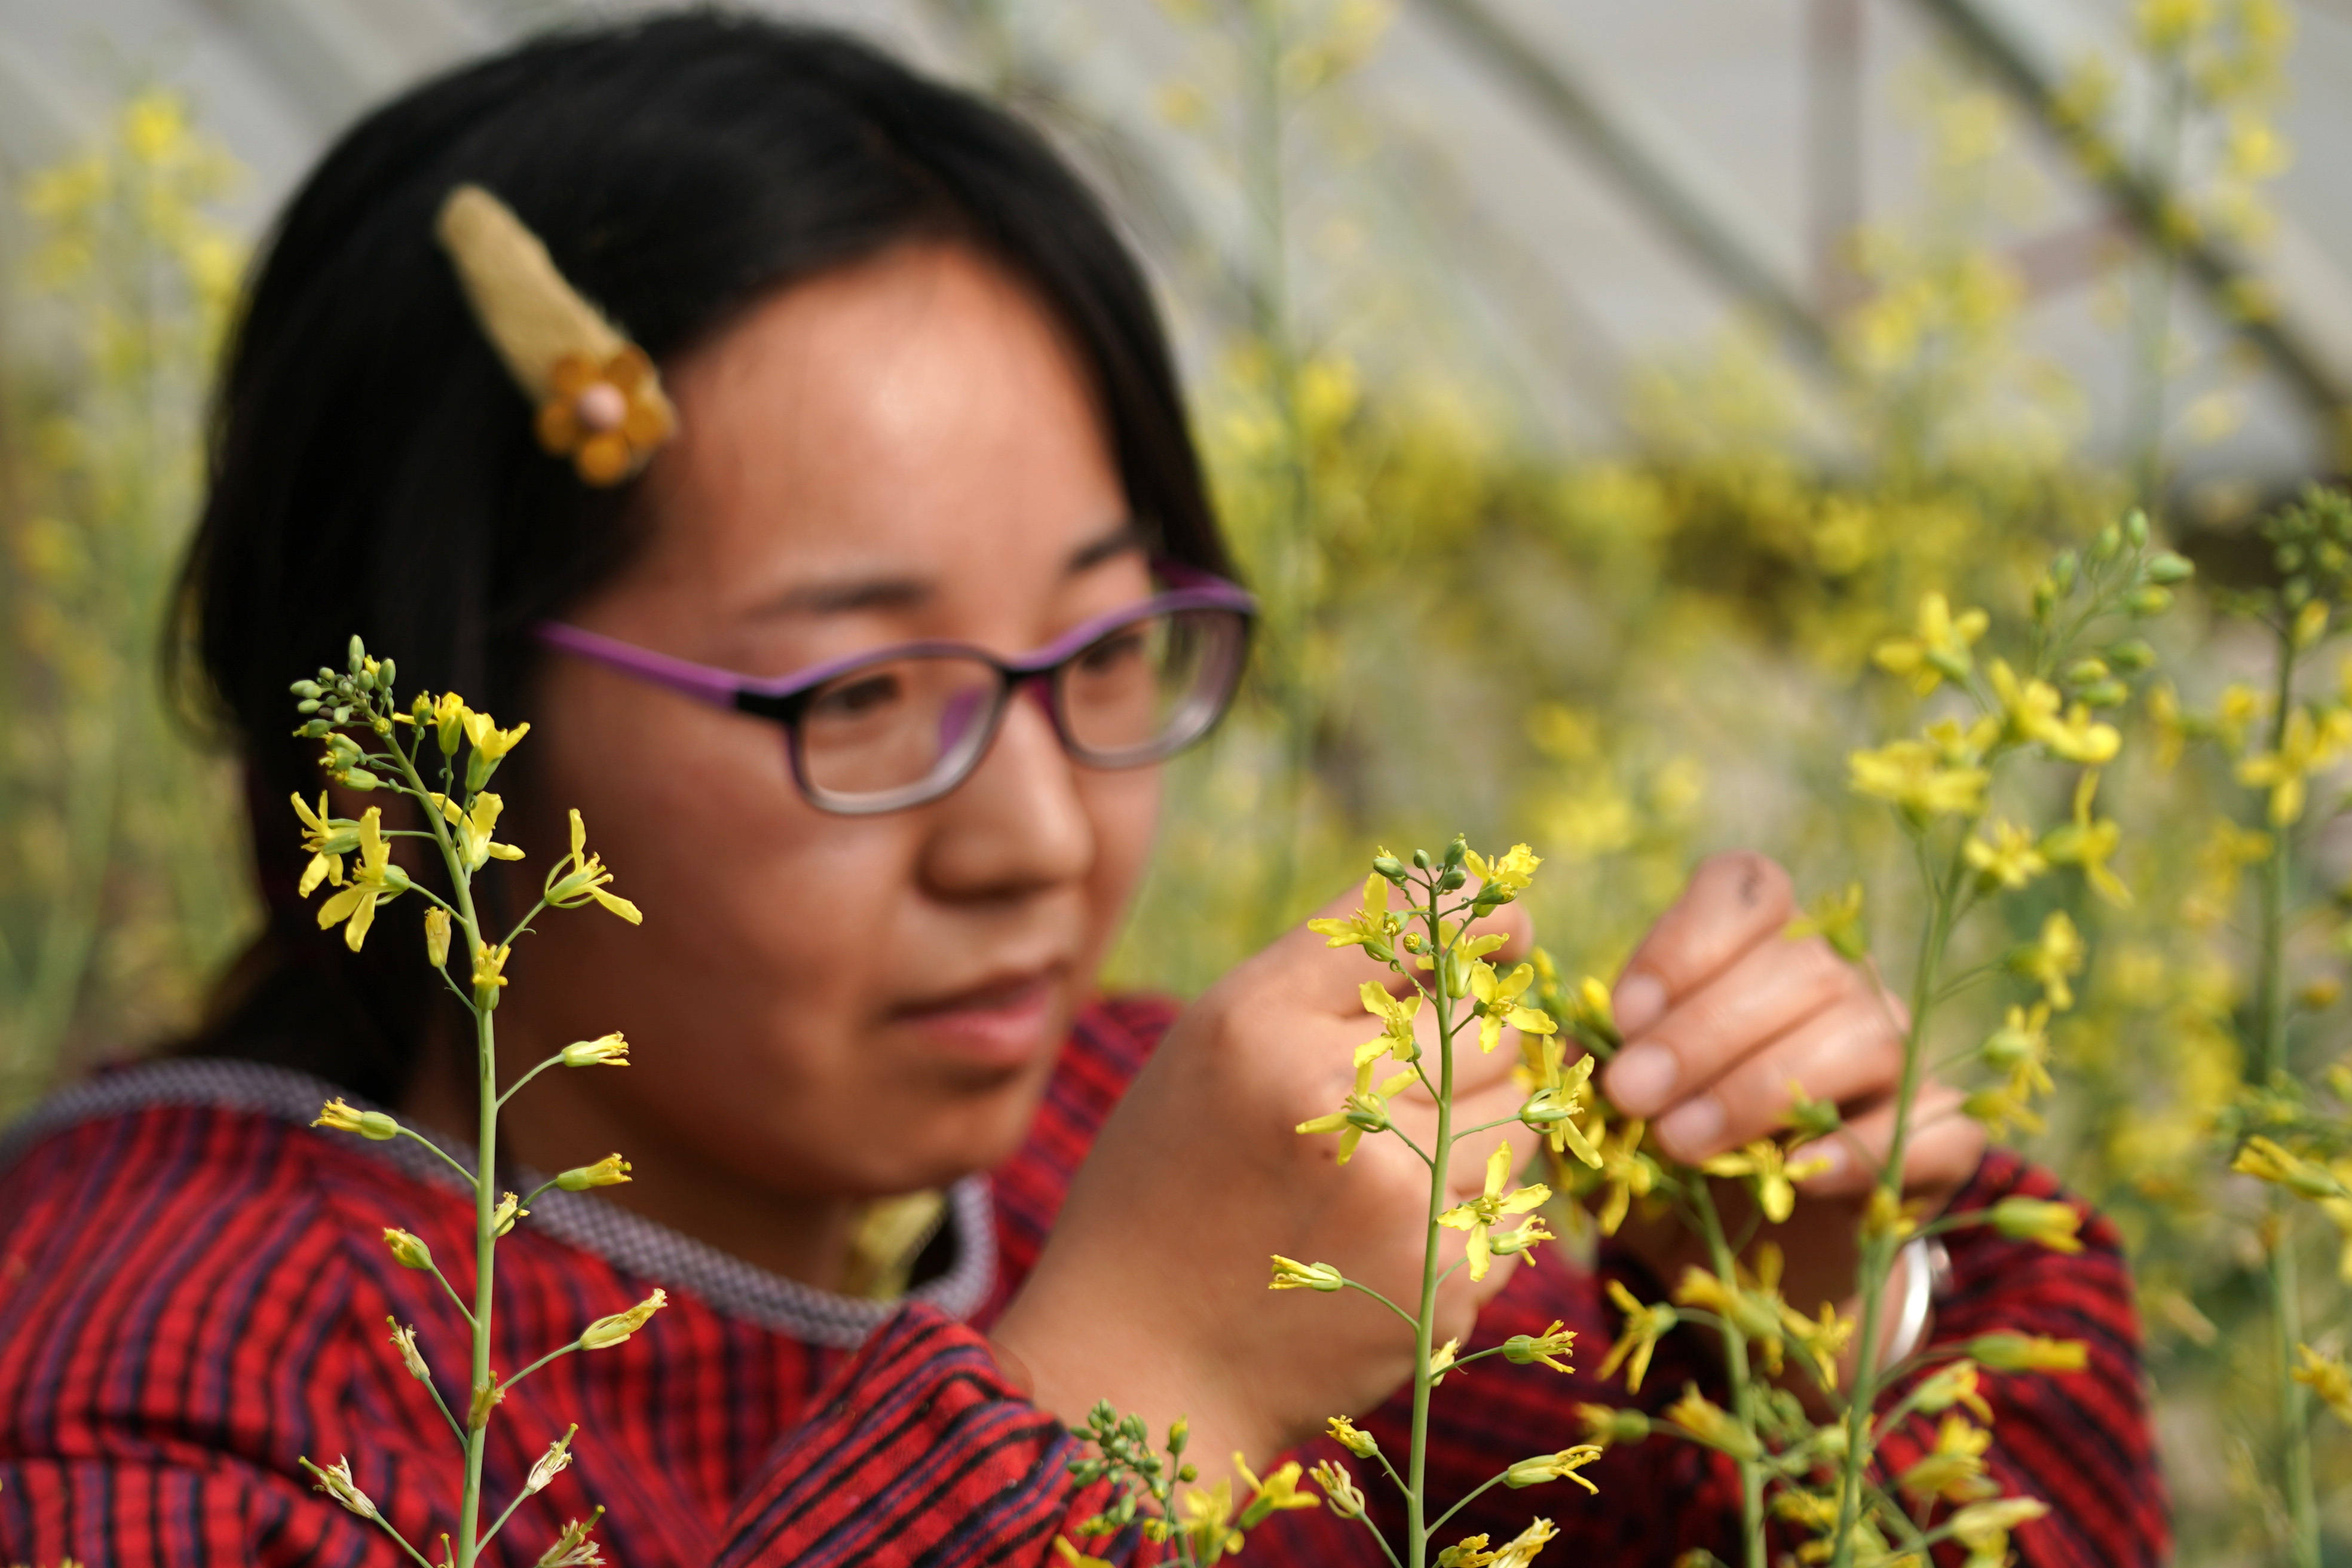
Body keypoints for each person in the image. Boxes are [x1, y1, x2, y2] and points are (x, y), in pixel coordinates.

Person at [0, 14, 2160, 1566]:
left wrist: (1810, 1321)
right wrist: (1129, 1401)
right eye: (859, 696)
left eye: (1107, 652)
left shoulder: (1150, 1167)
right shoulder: (152, 1378)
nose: (1038, 841)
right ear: (434, 721)